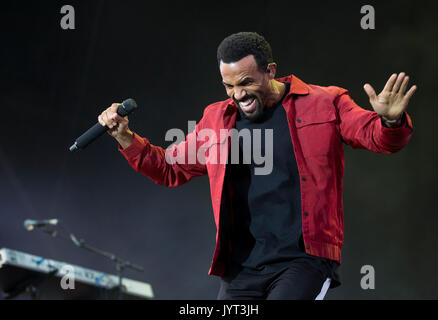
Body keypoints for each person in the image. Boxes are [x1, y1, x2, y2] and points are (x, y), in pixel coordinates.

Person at [97, 32, 416, 300]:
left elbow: (378, 138)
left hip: (304, 261)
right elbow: (169, 168)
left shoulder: (325, 102)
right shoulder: (217, 119)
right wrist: (125, 137)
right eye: (229, 86)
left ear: (271, 71)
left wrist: (390, 119)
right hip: (241, 268)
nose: (238, 94)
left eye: (246, 82)